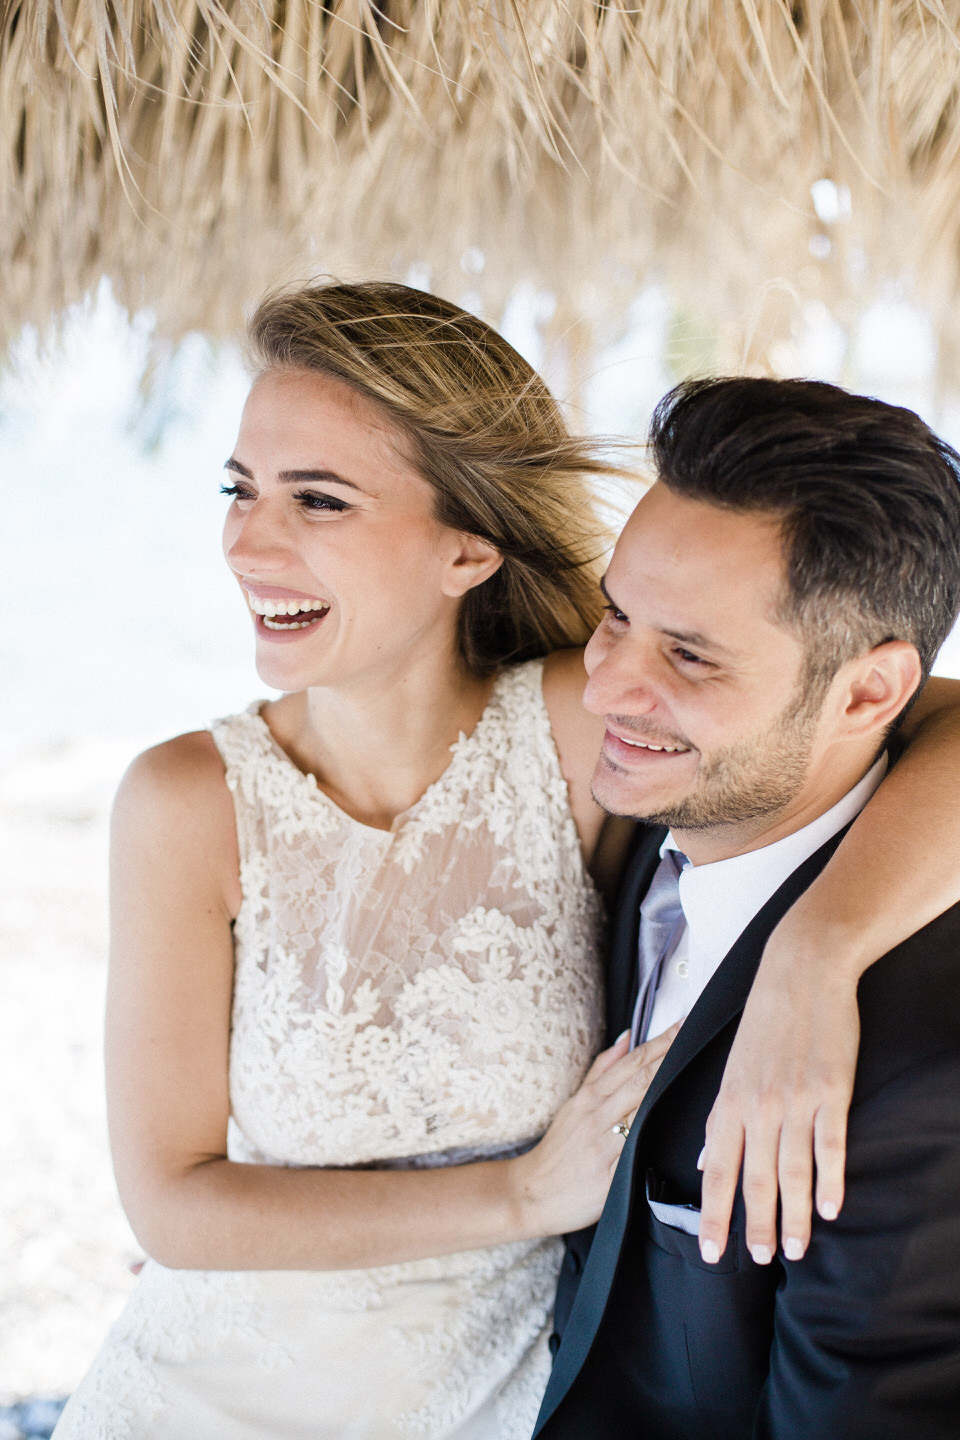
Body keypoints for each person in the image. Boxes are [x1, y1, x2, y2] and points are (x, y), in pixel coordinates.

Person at [52, 289, 960, 1440]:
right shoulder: (187, 801)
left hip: (495, 1400)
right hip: (210, 1393)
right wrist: (523, 1195)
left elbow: (894, 724)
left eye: (318, 500)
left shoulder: (589, 735)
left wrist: (816, 954)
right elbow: (173, 1202)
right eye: (239, 489)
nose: (247, 540)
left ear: (468, 548)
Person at [534, 376, 960, 1440]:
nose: (605, 689)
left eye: (687, 654)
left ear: (867, 694)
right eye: (616, 617)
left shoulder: (918, 1080)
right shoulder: (648, 819)